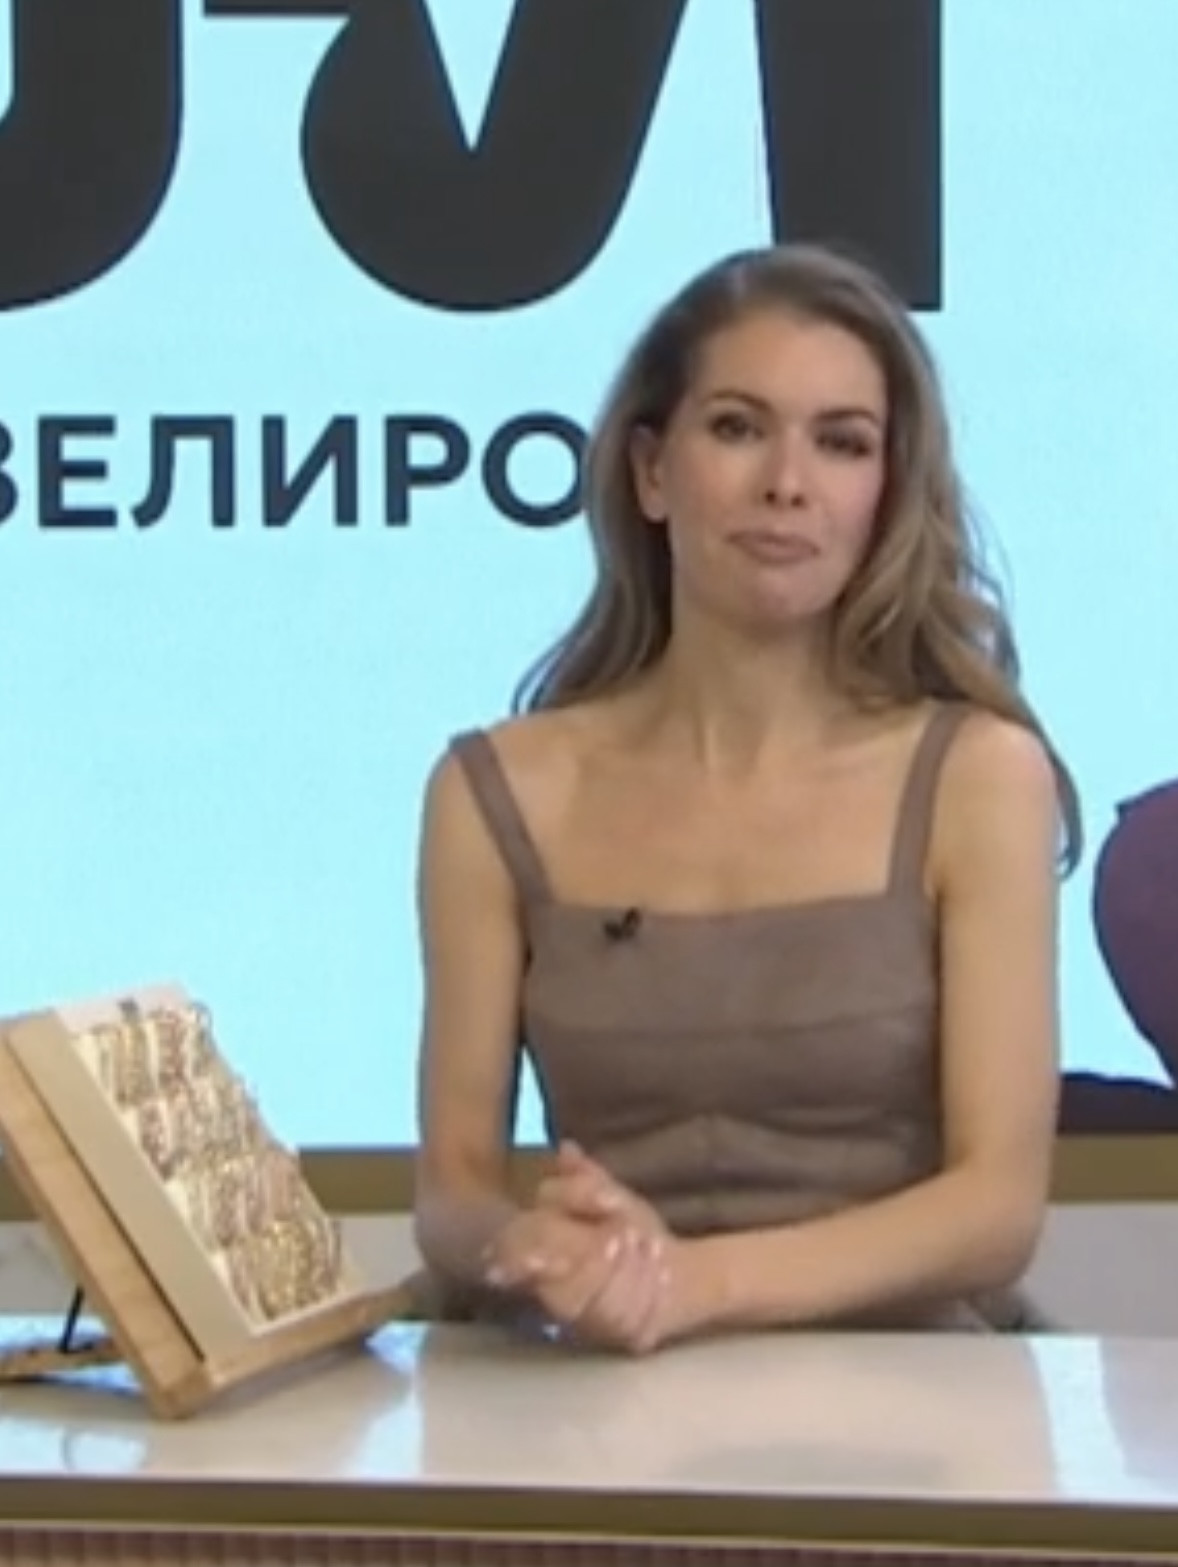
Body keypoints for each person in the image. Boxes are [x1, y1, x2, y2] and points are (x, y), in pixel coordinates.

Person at [412, 242, 1082, 1351]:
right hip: (597, 1388)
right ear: (651, 471)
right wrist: (541, 1249)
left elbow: (994, 1211)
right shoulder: (495, 790)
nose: (787, 483)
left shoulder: (979, 777)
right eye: (736, 428)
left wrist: (690, 1283)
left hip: (921, 1390)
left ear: (885, 490)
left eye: (841, 442)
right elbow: (453, 1191)